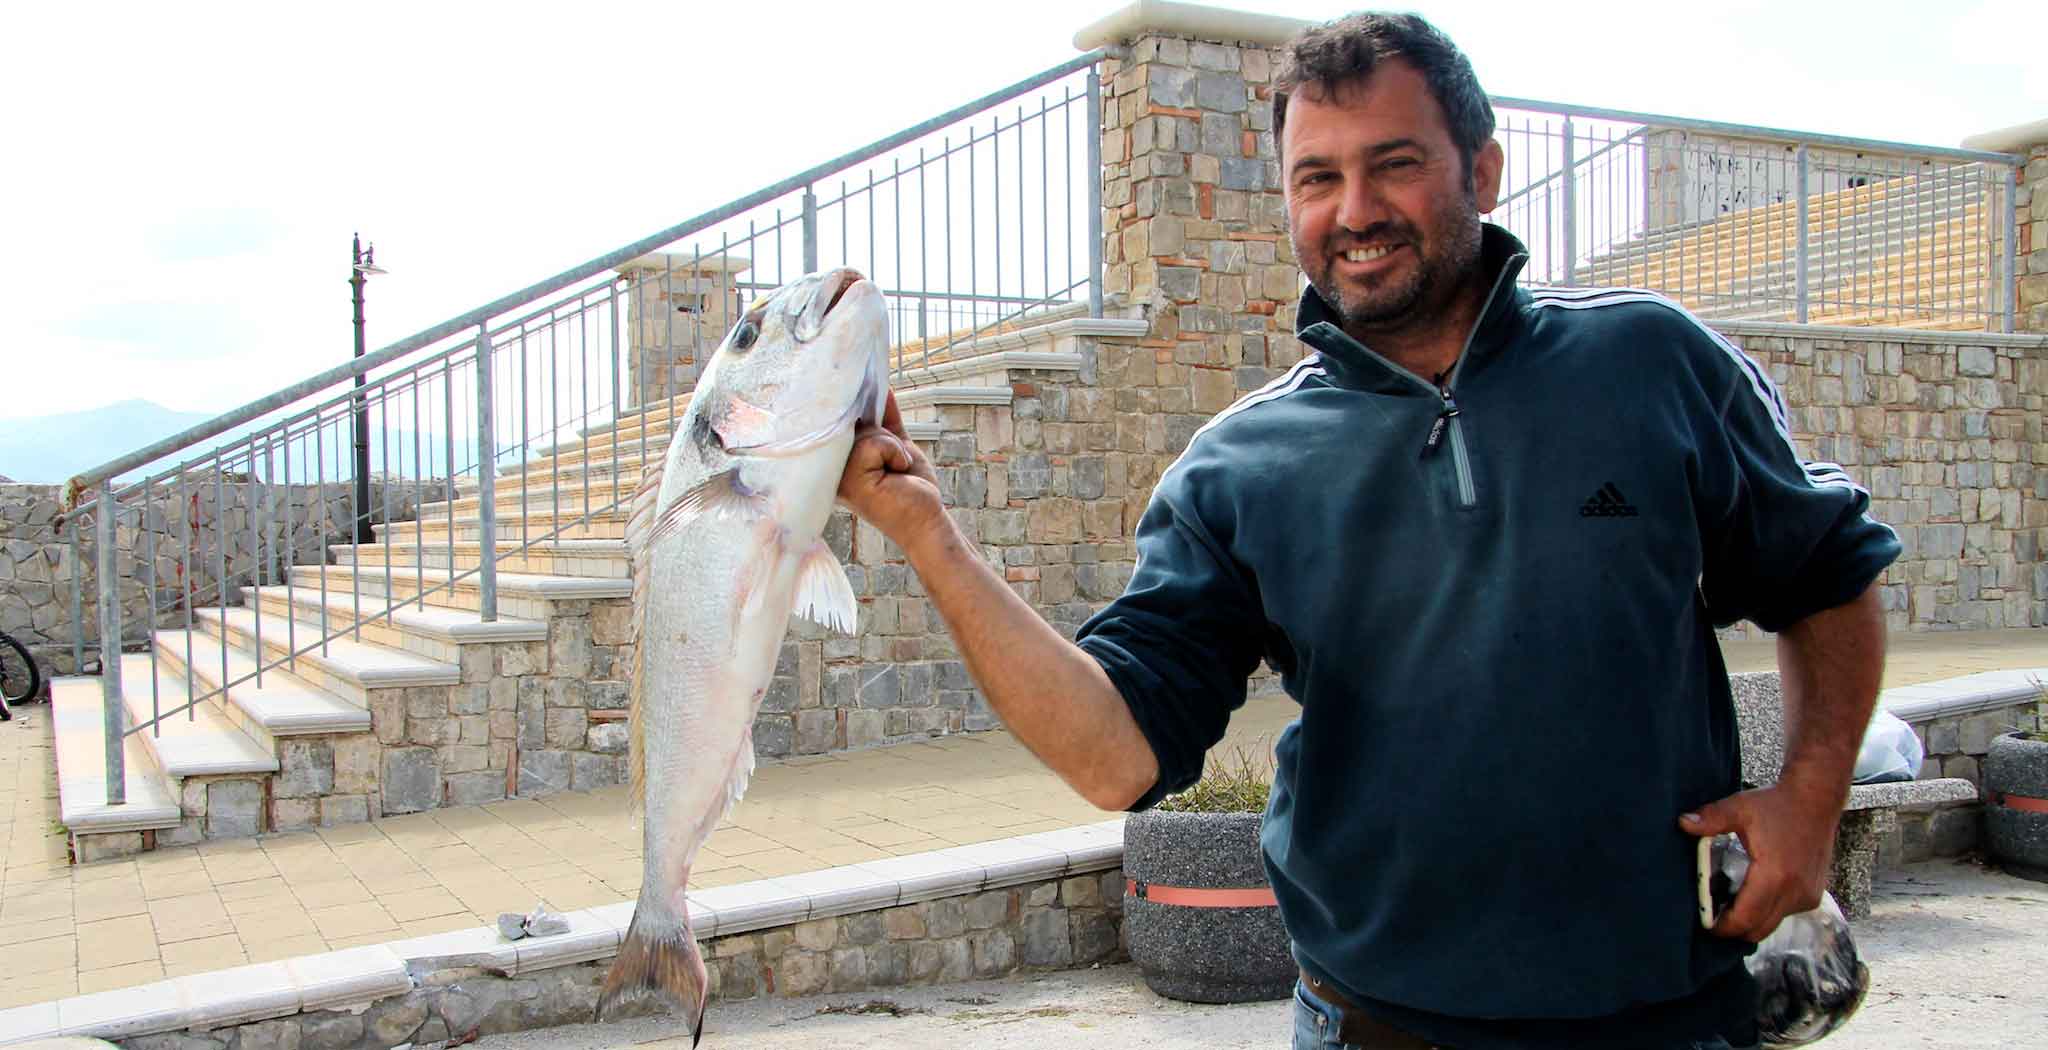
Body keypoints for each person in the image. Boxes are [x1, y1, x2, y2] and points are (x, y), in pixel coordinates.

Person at [836, 11, 1898, 1049]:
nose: (1353, 210)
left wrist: (1809, 797)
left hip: (1664, 1013)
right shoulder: (1239, 467)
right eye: (1316, 177)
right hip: (1376, 1025)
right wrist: (933, 539)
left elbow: (1827, 570)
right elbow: (1115, 757)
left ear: (1479, 173)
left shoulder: (1649, 363)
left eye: (1391, 164)